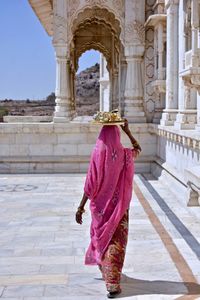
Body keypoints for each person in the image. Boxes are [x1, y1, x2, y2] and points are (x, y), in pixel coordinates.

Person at [75, 119, 141, 298]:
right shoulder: (122, 153)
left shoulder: (97, 152)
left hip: (100, 208)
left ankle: (108, 274)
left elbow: (90, 183)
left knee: (101, 238)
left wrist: (81, 207)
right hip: (118, 206)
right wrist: (128, 131)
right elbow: (138, 149)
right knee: (116, 242)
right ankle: (112, 284)